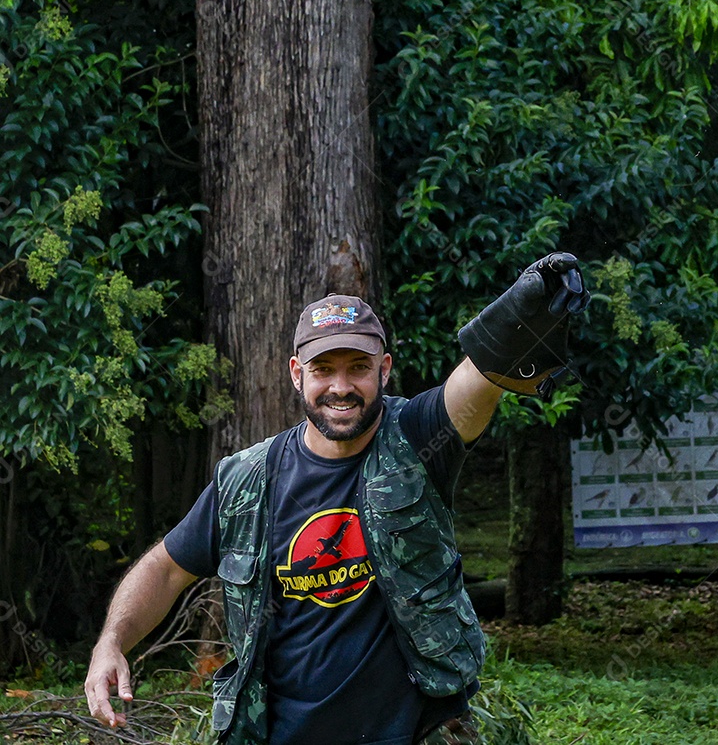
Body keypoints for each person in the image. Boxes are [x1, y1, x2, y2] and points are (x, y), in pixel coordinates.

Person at [84, 253, 589, 745]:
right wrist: (112, 642)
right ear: (297, 373)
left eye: (358, 367)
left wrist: (518, 321)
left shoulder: (417, 437)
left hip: (417, 730)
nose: (341, 387)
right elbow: (166, 568)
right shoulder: (246, 480)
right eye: (323, 369)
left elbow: (475, 383)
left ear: (384, 369)